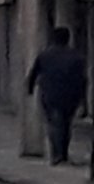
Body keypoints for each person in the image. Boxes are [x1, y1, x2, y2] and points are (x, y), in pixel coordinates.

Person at [28, 27, 86, 165]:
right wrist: (82, 98)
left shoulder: (44, 55)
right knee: (66, 124)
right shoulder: (76, 56)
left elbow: (34, 73)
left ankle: (56, 154)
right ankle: (63, 153)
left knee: (53, 124)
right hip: (70, 95)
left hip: (50, 94)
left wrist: (30, 89)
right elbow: (82, 79)